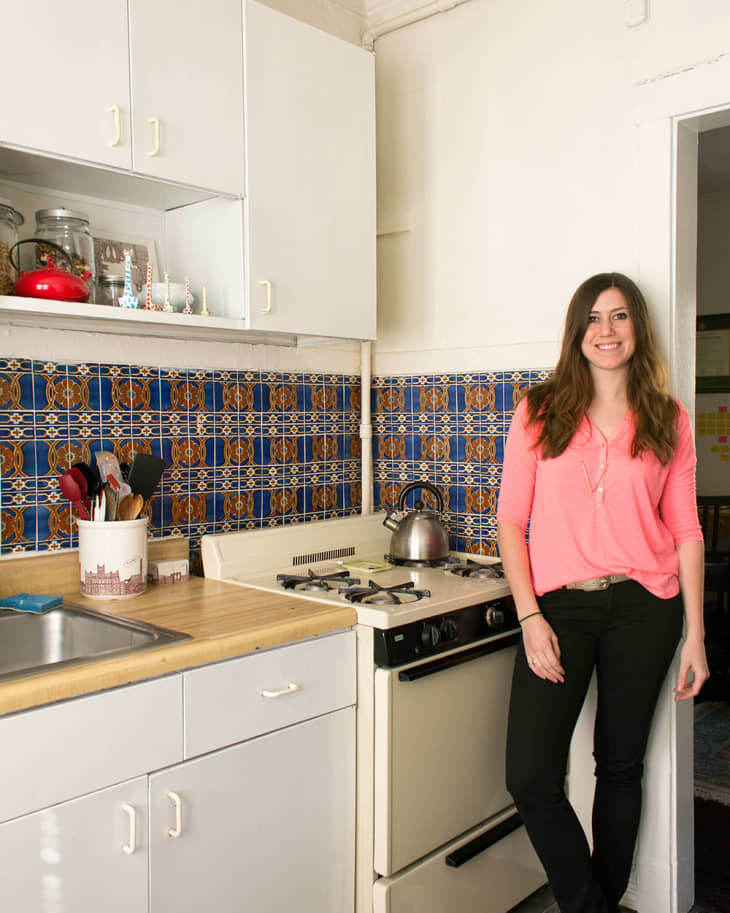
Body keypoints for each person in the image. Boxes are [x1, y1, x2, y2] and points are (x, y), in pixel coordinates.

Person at [496, 272, 709, 913]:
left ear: (637, 328)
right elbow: (510, 521)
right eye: (593, 318)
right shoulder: (537, 409)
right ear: (576, 332)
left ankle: (601, 899)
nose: (606, 331)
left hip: (646, 608)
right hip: (559, 606)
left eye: (618, 317)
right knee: (530, 774)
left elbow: (687, 529)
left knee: (619, 768)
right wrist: (530, 616)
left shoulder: (668, 417)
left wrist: (696, 633)